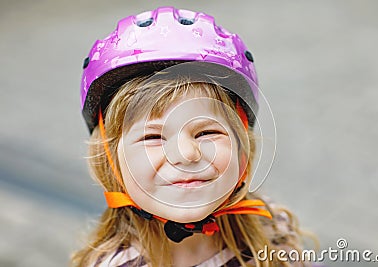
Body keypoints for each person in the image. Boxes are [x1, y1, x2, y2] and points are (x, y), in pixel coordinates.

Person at [72, 6, 311, 267]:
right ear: (109, 160)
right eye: (153, 137)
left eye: (207, 132)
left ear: (242, 145)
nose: (186, 154)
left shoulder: (271, 230)